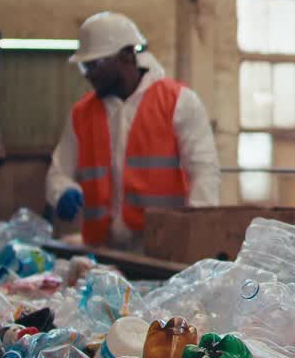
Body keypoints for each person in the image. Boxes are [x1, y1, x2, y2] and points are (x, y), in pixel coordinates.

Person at [46, 12, 220, 250]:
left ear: (127, 56)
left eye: (95, 65)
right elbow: (58, 173)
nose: (89, 75)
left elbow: (204, 172)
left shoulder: (179, 102)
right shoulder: (82, 114)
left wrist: (197, 235)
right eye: (84, 67)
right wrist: (63, 191)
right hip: (104, 251)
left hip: (161, 247)